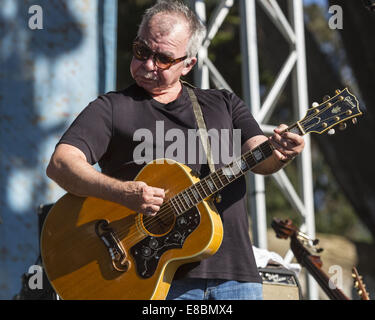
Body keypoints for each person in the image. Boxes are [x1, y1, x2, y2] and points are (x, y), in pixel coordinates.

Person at [46, 0, 305, 300]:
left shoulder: (224, 104)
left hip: (236, 276)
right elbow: (61, 163)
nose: (147, 65)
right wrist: (123, 193)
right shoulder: (112, 108)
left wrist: (282, 150)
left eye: (164, 59)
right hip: (153, 280)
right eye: (142, 51)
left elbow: (262, 158)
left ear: (188, 64)